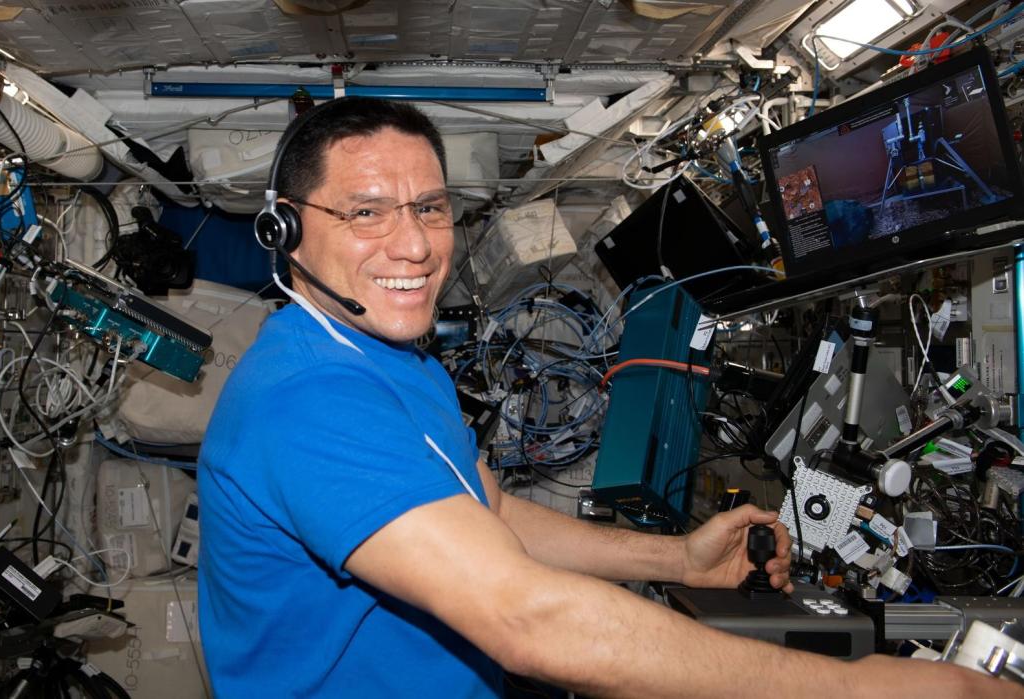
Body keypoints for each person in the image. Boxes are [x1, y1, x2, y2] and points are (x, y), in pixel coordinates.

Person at [196, 96, 1018, 698]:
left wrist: (678, 555)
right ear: (285, 231)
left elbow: (489, 512)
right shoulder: (306, 400)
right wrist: (875, 689)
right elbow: (530, 621)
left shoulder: (392, 358)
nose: (413, 244)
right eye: (366, 212)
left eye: (431, 208)